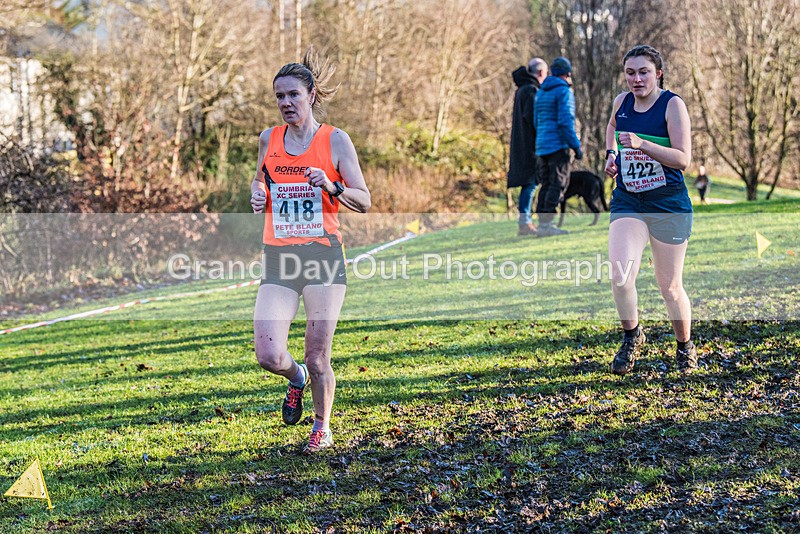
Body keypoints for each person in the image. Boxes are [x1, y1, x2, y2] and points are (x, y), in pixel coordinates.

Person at [250, 49, 371, 454]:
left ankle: (322, 426)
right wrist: (257, 193)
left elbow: (364, 199)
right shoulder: (269, 138)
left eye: (293, 96)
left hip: (322, 257)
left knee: (318, 355)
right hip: (280, 258)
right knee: (268, 353)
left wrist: (332, 186)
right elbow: (261, 181)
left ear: (311, 95)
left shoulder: (335, 140)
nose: (285, 103)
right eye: (279, 97)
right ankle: (296, 378)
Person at [604, 44, 697, 375]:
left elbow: (683, 159)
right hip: (629, 200)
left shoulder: (672, 105)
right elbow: (613, 129)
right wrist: (610, 155)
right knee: (620, 276)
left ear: (658, 73)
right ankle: (632, 336)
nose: (636, 79)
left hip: (668, 202)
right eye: (630, 72)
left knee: (669, 287)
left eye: (643, 72)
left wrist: (644, 144)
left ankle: (684, 346)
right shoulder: (622, 102)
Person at [533, 56, 583, 237]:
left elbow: (535, 121)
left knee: (545, 184)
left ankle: (542, 224)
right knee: (559, 183)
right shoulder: (564, 92)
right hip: (557, 146)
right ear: (568, 73)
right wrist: (576, 147)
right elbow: (565, 121)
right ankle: (547, 225)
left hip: (541, 146)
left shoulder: (541, 91)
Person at [508, 58, 547, 236]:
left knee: (529, 184)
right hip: (530, 146)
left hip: (522, 144)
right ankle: (525, 222)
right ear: (540, 73)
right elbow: (534, 121)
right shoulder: (531, 90)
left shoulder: (522, 89)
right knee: (530, 184)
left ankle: (526, 221)